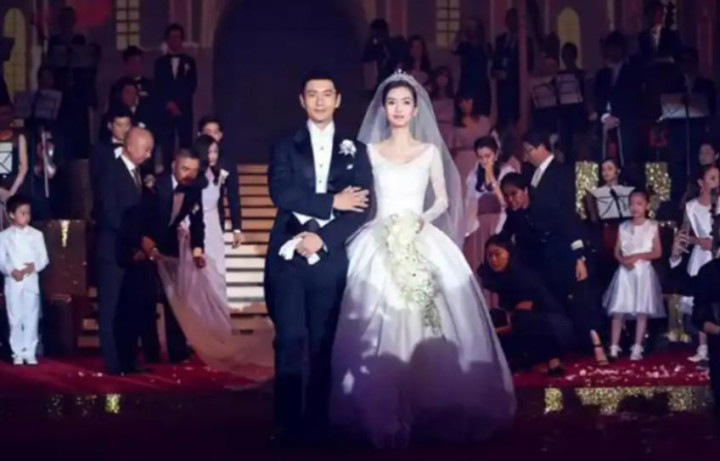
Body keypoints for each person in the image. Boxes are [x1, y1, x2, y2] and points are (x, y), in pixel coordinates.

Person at [329, 71, 515, 448]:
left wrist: (420, 220)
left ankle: (431, 403)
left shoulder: (429, 151)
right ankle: (378, 403)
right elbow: (362, 197)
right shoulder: (369, 151)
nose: (398, 109)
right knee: (378, 312)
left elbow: (443, 200)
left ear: (416, 109)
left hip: (419, 232)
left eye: (405, 102)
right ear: (383, 108)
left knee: (430, 313)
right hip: (379, 236)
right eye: (392, 102)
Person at [263, 70, 373, 446]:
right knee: (289, 339)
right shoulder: (285, 145)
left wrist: (322, 238)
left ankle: (318, 423)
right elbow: (282, 193)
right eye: (313, 94)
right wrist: (331, 202)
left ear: (338, 100)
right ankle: (285, 424)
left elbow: (362, 208)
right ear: (302, 100)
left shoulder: (355, 150)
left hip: (329, 257)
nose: (320, 101)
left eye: (327, 94)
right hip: (288, 253)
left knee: (323, 343)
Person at [93, 127, 153, 374]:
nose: (149, 155)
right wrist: (138, 238)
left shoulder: (139, 174)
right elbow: (109, 215)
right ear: (130, 145)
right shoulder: (110, 173)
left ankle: (129, 358)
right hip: (113, 252)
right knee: (111, 308)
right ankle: (113, 361)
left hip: (132, 253)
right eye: (146, 149)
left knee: (130, 308)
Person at [139, 148, 206, 365]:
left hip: (169, 245)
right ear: (173, 166)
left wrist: (198, 248)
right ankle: (151, 351)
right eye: (185, 169)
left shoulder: (194, 187)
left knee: (174, 298)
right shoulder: (154, 185)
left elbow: (197, 220)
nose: (189, 174)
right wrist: (145, 243)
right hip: (145, 243)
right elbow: (140, 216)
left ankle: (177, 350)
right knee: (147, 297)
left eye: (194, 170)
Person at [479, 235, 573, 376]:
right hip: (520, 320)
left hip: (550, 324)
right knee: (493, 317)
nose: (493, 260)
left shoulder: (522, 276)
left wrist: (499, 329)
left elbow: (531, 309)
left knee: (523, 318)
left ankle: (553, 359)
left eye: (497, 254)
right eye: (489, 256)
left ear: (509, 254)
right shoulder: (500, 278)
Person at [603, 189, 665, 361]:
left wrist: (638, 256)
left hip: (643, 272)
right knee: (618, 310)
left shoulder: (652, 226)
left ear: (647, 206)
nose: (634, 207)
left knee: (641, 311)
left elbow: (657, 252)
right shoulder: (623, 226)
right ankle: (614, 347)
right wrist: (622, 260)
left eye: (639, 204)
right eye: (631, 204)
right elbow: (617, 250)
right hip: (625, 273)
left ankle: (637, 347)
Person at [675, 165, 719, 362]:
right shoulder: (691, 206)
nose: (717, 182)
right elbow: (685, 232)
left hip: (717, 255)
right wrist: (686, 242)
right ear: (701, 183)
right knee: (702, 300)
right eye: (712, 178)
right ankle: (702, 347)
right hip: (701, 257)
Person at [0, 195, 49, 365]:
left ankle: (30, 351)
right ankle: (17, 352)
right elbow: (1, 260)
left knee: (31, 316)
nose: (26, 216)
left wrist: (33, 267)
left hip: (30, 280)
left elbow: (44, 258)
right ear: (12, 214)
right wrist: (11, 270)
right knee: (15, 317)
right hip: (13, 281)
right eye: (22, 213)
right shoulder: (4, 236)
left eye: (28, 213)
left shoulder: (37, 235)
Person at [464, 134, 515, 283]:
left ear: (496, 154)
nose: (484, 161)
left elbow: (506, 203)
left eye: (488, 156)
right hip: (479, 226)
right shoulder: (473, 177)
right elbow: (469, 204)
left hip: (499, 224)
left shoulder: (507, 172)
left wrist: (492, 177)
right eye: (480, 157)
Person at [155, 24, 197, 171]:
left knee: (185, 144)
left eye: (178, 37)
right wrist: (168, 103)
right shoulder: (160, 63)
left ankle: (186, 172)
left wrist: (179, 105)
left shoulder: (189, 62)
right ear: (167, 40)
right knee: (167, 145)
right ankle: (168, 175)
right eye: (172, 37)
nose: (175, 40)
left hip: (184, 110)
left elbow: (192, 85)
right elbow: (158, 86)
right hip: (166, 111)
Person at [197, 116, 242, 247]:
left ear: (221, 135)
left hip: (215, 218)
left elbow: (233, 196)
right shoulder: (191, 159)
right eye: (207, 132)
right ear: (199, 134)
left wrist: (236, 228)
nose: (211, 136)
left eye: (215, 132)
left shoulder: (226, 162)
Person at [453, 18, 492, 116]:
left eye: (474, 28)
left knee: (482, 117)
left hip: (481, 89)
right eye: (469, 28)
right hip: (466, 87)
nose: (472, 32)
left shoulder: (486, 47)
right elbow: (453, 48)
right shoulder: (464, 46)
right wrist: (459, 33)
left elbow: (491, 63)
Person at [0, 102, 28, 229]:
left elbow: (23, 167)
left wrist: (12, 192)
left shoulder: (18, 137)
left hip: (14, 187)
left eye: (6, 114)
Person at [429, 67, 455, 147]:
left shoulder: (454, 99)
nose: (442, 79)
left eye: (445, 76)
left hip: (449, 133)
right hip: (433, 131)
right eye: (440, 76)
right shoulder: (430, 98)